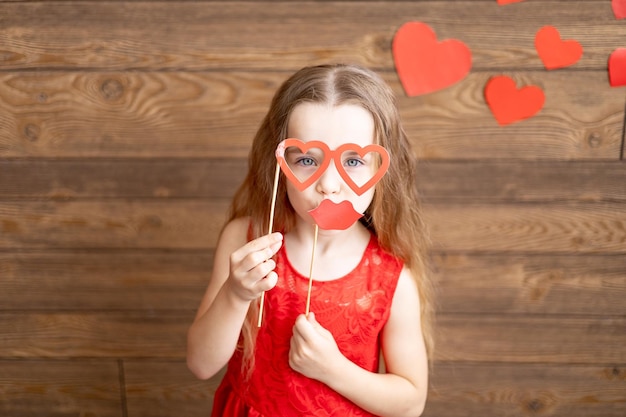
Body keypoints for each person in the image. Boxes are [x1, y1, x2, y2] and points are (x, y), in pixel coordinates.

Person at [187, 63, 434, 417]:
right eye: (306, 159)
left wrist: (333, 369)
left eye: (353, 161)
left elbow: (410, 404)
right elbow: (201, 364)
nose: (329, 185)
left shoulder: (393, 281)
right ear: (279, 165)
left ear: (383, 170)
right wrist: (236, 293)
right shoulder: (245, 241)